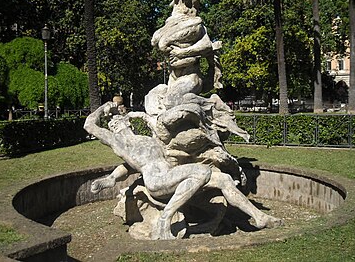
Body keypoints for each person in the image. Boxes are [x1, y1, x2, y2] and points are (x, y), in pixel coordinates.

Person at [84, 102, 283, 240]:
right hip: (157, 181)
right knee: (202, 173)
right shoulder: (118, 141)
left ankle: (259, 217)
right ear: (112, 127)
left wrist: (111, 178)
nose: (121, 120)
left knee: (222, 179)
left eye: (122, 118)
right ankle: (165, 219)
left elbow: (129, 167)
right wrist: (103, 108)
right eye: (116, 121)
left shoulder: (143, 140)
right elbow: (89, 124)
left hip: (171, 175)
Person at [151, 0, 222, 108]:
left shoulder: (198, 25)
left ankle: (212, 102)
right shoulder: (172, 22)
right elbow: (156, 41)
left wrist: (182, 52)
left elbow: (206, 45)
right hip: (174, 77)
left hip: (191, 77)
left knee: (171, 102)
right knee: (153, 98)